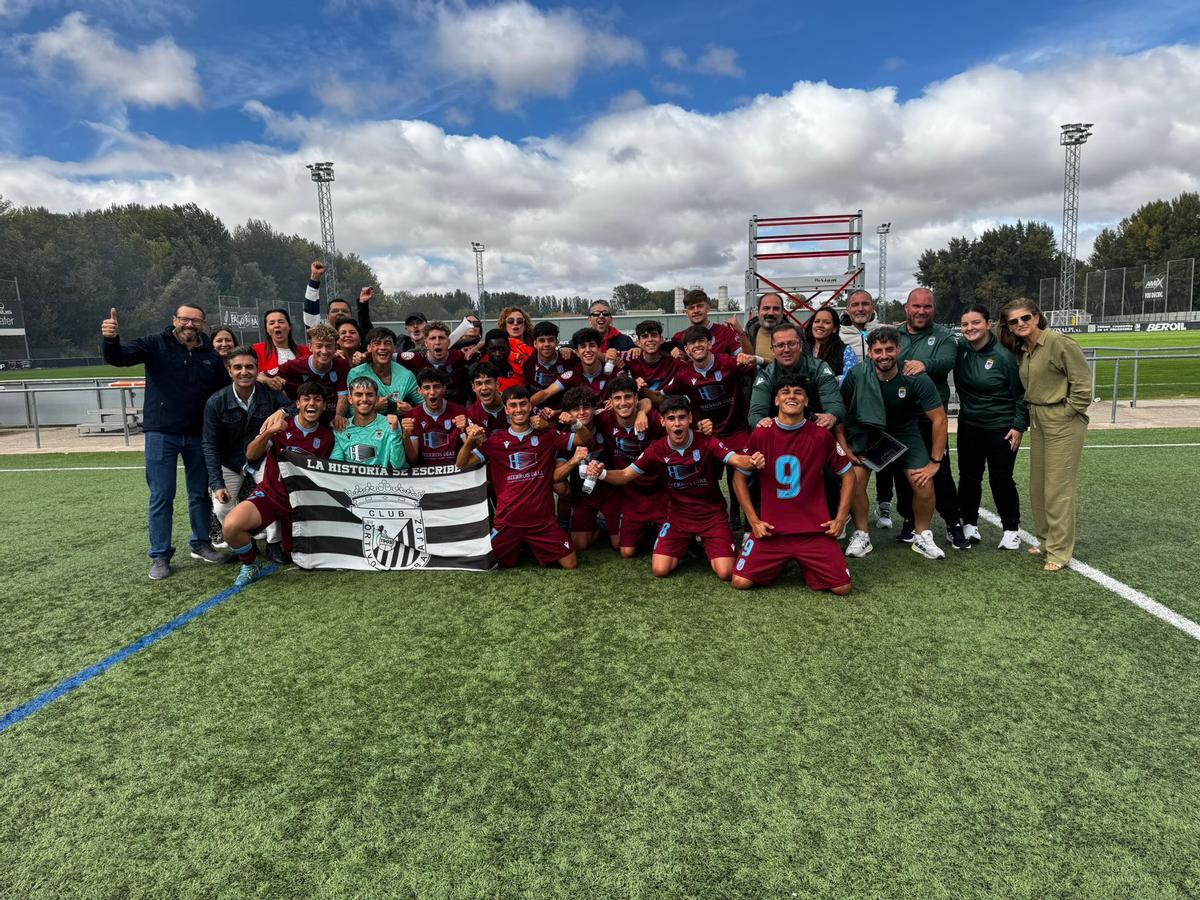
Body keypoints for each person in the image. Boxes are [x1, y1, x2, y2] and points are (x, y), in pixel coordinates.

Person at [101, 303, 230, 579]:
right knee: (162, 495)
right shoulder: (154, 344)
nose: (189, 325)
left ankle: (201, 544)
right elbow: (119, 358)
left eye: (196, 321)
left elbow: (223, 394)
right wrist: (111, 339)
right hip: (162, 433)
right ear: (175, 320)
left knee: (199, 494)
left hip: (199, 435)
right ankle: (160, 555)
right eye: (185, 319)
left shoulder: (210, 355)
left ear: (203, 325)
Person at [587, 395, 765, 580]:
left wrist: (752, 460)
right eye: (671, 419)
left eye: (681, 417)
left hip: (711, 515)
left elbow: (735, 459)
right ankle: (688, 543)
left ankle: (706, 542)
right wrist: (601, 473)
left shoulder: (706, 441)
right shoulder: (656, 449)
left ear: (690, 419)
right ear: (663, 421)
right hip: (678, 517)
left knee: (726, 572)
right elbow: (625, 475)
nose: (677, 424)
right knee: (660, 570)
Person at [730, 376, 854, 594]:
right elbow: (738, 478)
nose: (792, 396)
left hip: (813, 531)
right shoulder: (761, 433)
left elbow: (849, 475)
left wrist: (841, 518)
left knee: (842, 587)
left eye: (798, 392)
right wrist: (754, 520)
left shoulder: (820, 435)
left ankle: (806, 564)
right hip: (772, 532)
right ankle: (787, 560)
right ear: (776, 400)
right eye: (785, 392)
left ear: (806, 401)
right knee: (740, 581)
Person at [838, 327, 948, 560]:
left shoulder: (914, 375)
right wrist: (845, 447)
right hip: (869, 432)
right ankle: (861, 534)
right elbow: (840, 412)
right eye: (878, 350)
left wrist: (934, 462)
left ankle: (922, 535)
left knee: (923, 482)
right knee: (856, 480)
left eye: (889, 349)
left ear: (898, 349)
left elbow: (939, 418)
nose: (884, 355)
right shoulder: (858, 374)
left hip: (905, 432)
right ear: (869, 353)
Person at [999, 297, 1091, 572]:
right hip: (1037, 420)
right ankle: (1045, 540)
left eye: (1025, 318)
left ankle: (1060, 551)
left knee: (1057, 489)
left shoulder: (1059, 343)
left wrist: (1067, 412)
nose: (1021, 324)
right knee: (1038, 486)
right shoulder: (1024, 350)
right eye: (1014, 321)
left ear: (1037, 317)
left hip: (1062, 420)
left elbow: (1083, 386)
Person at [457, 386, 589, 569]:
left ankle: (531, 544)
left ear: (530, 406)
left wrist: (576, 423)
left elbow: (585, 441)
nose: (518, 409)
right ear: (506, 410)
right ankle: (519, 545)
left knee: (570, 564)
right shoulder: (495, 441)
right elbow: (462, 463)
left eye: (523, 404)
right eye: (513, 405)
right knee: (484, 562)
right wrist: (470, 440)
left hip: (543, 522)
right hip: (508, 522)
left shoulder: (546, 436)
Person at [222, 383, 335, 587]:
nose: (312, 403)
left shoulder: (327, 437)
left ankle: (287, 545)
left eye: (317, 399)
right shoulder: (280, 425)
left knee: (298, 557)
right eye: (306, 399)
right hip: (272, 496)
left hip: (302, 506)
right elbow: (251, 454)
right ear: (298, 403)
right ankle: (250, 565)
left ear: (324, 405)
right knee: (231, 527)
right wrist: (269, 432)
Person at [892, 287, 968, 549]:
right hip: (901, 417)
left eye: (927, 307)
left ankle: (952, 521)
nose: (921, 311)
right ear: (907, 308)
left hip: (930, 417)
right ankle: (909, 520)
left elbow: (947, 361)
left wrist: (926, 365)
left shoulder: (944, 335)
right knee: (903, 474)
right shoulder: (896, 334)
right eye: (916, 306)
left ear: (933, 309)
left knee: (940, 471)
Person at [663, 324, 759, 529]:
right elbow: (663, 396)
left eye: (701, 341)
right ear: (686, 349)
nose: (696, 346)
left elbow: (756, 365)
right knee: (708, 478)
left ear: (710, 343)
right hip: (708, 434)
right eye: (691, 343)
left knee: (743, 471)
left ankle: (744, 519)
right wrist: (641, 395)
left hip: (737, 430)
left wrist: (747, 353)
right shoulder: (683, 374)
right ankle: (716, 517)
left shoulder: (727, 363)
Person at [202, 345, 291, 561]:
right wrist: (217, 483)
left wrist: (283, 410)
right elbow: (210, 445)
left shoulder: (270, 394)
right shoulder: (216, 402)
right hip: (229, 461)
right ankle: (245, 543)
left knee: (276, 496)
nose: (244, 372)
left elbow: (295, 406)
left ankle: (274, 544)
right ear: (229, 370)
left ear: (257, 368)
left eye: (249, 367)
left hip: (262, 457)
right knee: (222, 506)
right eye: (238, 367)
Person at [955, 305, 1028, 550]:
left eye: (975, 323)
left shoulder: (1003, 357)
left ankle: (1011, 529)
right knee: (968, 477)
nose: (970, 328)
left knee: (1001, 479)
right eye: (965, 324)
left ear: (988, 324)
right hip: (968, 424)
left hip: (1001, 427)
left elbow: (1021, 395)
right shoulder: (960, 349)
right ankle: (969, 524)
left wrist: (1018, 426)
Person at [593, 375, 665, 558]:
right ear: (610, 402)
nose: (623, 403)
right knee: (625, 551)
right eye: (617, 398)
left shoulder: (654, 420)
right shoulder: (604, 418)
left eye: (628, 397)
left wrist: (643, 411)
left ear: (636, 399)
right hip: (630, 492)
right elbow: (581, 415)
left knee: (668, 546)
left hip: (659, 491)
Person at [838, 289, 892, 527]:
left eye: (865, 304)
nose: (860, 309)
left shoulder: (886, 332)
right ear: (847, 309)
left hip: (885, 405)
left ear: (872, 307)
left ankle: (885, 505)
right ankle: (850, 511)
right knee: (855, 462)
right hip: (853, 410)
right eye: (855, 305)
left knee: (888, 459)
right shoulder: (839, 334)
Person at [554, 386, 621, 552]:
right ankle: (599, 525)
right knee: (579, 545)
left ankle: (610, 524)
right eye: (576, 409)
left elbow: (643, 404)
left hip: (611, 492)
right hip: (584, 495)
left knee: (619, 545)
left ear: (594, 408)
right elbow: (556, 476)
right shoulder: (565, 435)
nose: (582, 412)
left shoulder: (605, 422)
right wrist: (573, 461)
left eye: (586, 407)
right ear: (568, 413)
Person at [748, 322, 845, 428]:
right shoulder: (766, 375)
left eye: (792, 344)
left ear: (801, 346)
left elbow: (835, 405)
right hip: (779, 430)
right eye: (780, 345)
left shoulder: (819, 368)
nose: (786, 350)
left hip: (816, 427)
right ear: (773, 350)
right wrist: (761, 422)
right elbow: (755, 414)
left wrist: (831, 416)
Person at [345, 327, 421, 418]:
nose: (382, 347)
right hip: (365, 429)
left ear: (394, 348)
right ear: (369, 347)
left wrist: (411, 411)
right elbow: (352, 413)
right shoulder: (356, 374)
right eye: (377, 343)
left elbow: (425, 406)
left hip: (397, 428)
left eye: (387, 343)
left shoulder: (406, 375)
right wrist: (374, 407)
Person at [275, 325, 350, 417]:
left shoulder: (342, 365)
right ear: (310, 347)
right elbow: (264, 375)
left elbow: (343, 396)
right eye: (319, 346)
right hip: (305, 418)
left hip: (332, 420)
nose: (324, 351)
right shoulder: (293, 365)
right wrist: (264, 378)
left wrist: (339, 417)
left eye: (329, 346)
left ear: (335, 348)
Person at [397, 320, 477, 406]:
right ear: (426, 343)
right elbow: (388, 356)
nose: (437, 342)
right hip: (425, 413)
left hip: (457, 414)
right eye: (432, 338)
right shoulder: (415, 358)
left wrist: (478, 347)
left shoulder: (461, 357)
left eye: (441, 338)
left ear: (449, 342)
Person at [332, 376, 407, 468]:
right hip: (353, 481)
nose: (364, 399)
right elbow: (335, 465)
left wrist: (395, 432)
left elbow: (398, 465)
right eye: (359, 394)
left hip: (381, 481)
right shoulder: (342, 427)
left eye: (369, 394)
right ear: (350, 399)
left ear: (376, 398)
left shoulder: (390, 424)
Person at [401, 368, 469, 466]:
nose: (432, 392)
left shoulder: (460, 412)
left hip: (455, 472)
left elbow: (470, 453)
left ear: (444, 388)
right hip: (427, 475)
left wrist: (464, 431)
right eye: (427, 388)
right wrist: (406, 436)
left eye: (436, 387)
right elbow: (413, 460)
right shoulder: (412, 416)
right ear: (420, 391)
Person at [303, 262, 376, 347]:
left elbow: (367, 333)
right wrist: (314, 279)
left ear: (351, 316)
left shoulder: (358, 340)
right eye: (335, 311)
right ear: (327, 317)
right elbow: (311, 315)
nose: (340, 313)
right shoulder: (321, 339)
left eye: (345, 311)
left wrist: (363, 304)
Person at [670, 289, 751, 357]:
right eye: (691, 308)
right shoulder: (678, 338)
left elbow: (747, 359)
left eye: (700, 306)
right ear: (686, 312)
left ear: (708, 308)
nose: (696, 310)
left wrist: (741, 333)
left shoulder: (725, 333)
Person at [523, 321, 579, 409]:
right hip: (533, 409)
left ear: (557, 342)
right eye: (542, 340)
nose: (546, 344)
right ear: (535, 344)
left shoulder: (568, 359)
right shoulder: (527, 361)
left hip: (562, 411)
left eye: (550, 340)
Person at [623, 320, 679, 401]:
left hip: (665, 407)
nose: (650, 339)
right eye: (645, 336)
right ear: (638, 342)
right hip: (639, 407)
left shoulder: (673, 361)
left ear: (662, 340)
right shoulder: (630, 357)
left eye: (654, 335)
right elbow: (609, 356)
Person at [254, 308, 308, 388]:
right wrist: (264, 379)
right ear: (267, 330)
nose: (277, 325)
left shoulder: (305, 351)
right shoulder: (257, 350)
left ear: (289, 326)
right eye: (272, 323)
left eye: (281, 322)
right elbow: (249, 373)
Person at [804, 306, 857, 383]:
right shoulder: (801, 348)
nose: (820, 325)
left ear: (834, 329)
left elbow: (852, 376)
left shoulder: (846, 350)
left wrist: (833, 380)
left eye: (826, 322)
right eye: (817, 321)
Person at [465, 362, 508, 432]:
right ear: (473, 387)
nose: (484, 388)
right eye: (479, 383)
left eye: (488, 382)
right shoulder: (471, 414)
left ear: (497, 384)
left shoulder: (514, 404)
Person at [745, 292, 785, 363]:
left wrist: (761, 361)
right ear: (758, 312)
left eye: (776, 309)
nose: (771, 313)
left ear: (782, 313)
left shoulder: (796, 336)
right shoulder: (748, 335)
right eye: (766, 308)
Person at [482, 328, 525, 393]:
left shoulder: (523, 365)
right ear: (486, 350)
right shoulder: (479, 372)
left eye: (502, 349)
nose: (498, 354)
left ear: (509, 348)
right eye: (493, 350)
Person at [497, 306, 536, 372]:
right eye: (510, 321)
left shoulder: (535, 345)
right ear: (504, 326)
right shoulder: (497, 347)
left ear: (525, 326)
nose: (515, 323)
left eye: (520, 321)